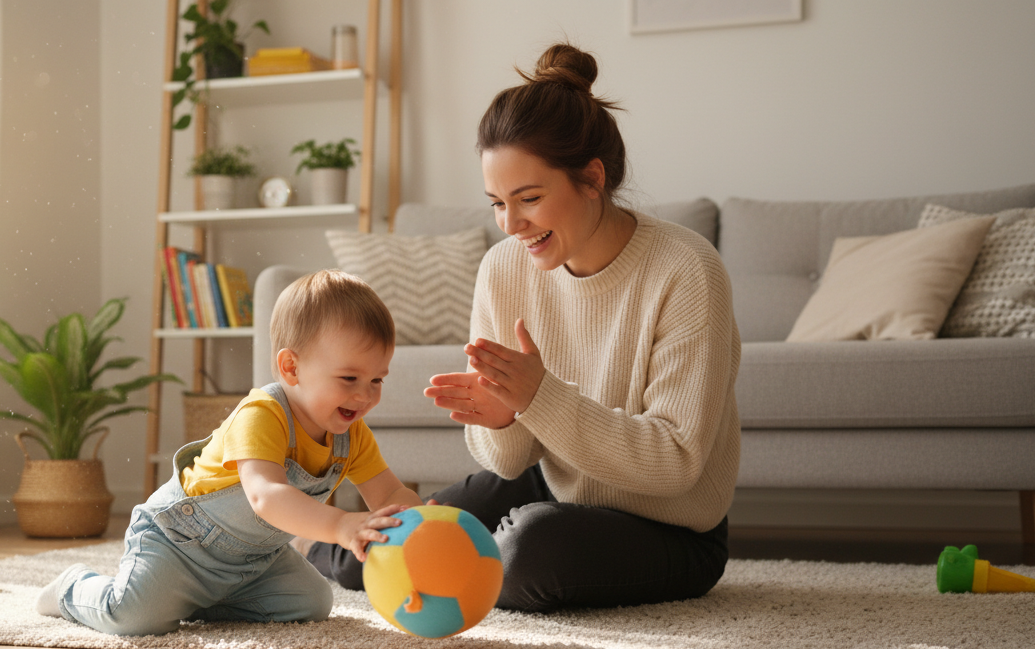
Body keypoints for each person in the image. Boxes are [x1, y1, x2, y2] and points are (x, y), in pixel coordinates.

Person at [307, 43, 740, 612]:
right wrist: (507, 417)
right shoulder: (506, 267)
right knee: (396, 535)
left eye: (530, 198)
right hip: (553, 479)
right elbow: (505, 460)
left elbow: (676, 462)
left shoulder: (686, 269)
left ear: (591, 179)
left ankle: (503, 549)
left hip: (670, 525)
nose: (511, 224)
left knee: (527, 552)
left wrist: (540, 396)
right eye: (496, 203)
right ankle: (290, 543)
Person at [36, 270, 422, 635]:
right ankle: (74, 588)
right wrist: (341, 526)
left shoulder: (352, 437)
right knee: (133, 616)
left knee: (312, 602)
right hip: (179, 543)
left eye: (377, 380)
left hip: (254, 560)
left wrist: (414, 523)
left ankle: (189, 600)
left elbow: (389, 494)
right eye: (350, 378)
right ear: (291, 368)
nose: (365, 394)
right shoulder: (262, 414)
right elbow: (266, 497)